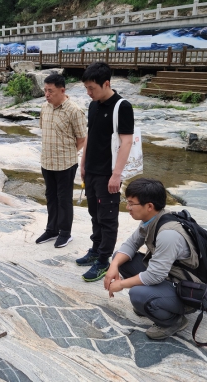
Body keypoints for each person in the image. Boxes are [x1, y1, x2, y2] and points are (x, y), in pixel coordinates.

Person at [104, 178, 198, 339]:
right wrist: (114, 266)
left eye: (131, 203)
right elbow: (131, 244)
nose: (127, 207)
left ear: (149, 206)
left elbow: (155, 275)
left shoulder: (168, 234)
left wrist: (121, 284)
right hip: (170, 276)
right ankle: (151, 301)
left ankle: (173, 321)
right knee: (119, 259)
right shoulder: (153, 219)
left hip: (188, 290)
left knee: (137, 294)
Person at [77, 62, 134, 282]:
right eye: (86, 88)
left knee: (107, 218)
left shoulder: (122, 107)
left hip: (108, 173)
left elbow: (126, 141)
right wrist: (83, 164)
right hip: (91, 171)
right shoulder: (93, 105)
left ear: (106, 83)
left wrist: (116, 174)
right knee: (94, 214)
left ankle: (103, 260)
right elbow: (90, 136)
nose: (88, 92)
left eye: (92, 88)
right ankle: (95, 249)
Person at [36, 74, 87, 248]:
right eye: (45, 90)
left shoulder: (74, 110)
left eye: (50, 91)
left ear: (62, 90)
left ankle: (65, 233)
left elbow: (82, 139)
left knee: (64, 199)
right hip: (47, 162)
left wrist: (68, 153)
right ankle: (52, 230)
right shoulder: (45, 107)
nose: (47, 94)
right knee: (50, 197)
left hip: (65, 164)